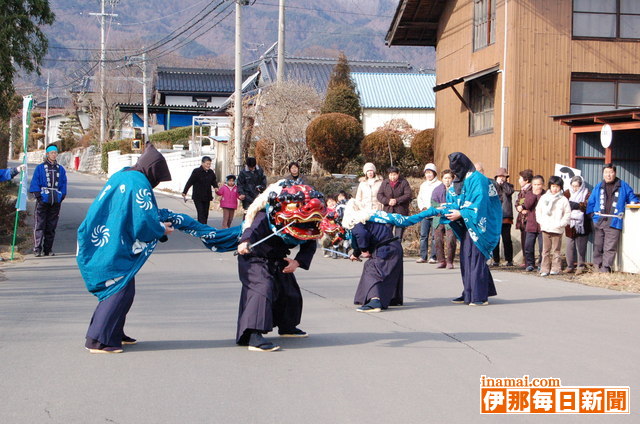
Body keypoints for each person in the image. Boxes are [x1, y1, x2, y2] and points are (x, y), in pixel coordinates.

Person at [78, 144, 173, 353]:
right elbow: (144, 219)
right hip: (111, 245)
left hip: (105, 239)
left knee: (125, 289)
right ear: (152, 171)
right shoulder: (138, 183)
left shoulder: (126, 175)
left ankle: (114, 332)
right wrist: (161, 228)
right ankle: (98, 340)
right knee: (117, 290)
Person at [235, 182, 322, 352]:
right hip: (254, 257)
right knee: (262, 289)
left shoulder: (309, 217)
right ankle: (253, 335)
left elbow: (310, 242)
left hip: (277, 257)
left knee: (289, 291)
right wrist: (245, 242)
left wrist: (297, 262)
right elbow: (251, 229)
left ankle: (287, 327)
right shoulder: (266, 215)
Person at [443, 153, 501, 306]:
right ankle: (469, 291)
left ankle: (479, 296)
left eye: (458, 170)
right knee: (466, 257)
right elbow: (455, 199)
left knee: (475, 257)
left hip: (481, 223)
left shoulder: (478, 179)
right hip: (468, 224)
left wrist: (461, 212)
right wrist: (447, 208)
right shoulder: (460, 180)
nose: (456, 174)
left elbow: (479, 204)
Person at [586, 163, 639, 273]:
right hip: (599, 220)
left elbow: (632, 198)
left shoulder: (623, 186)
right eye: (606, 173)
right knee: (598, 245)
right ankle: (597, 267)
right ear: (603, 174)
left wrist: (634, 204)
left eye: (611, 172)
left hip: (614, 220)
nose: (608, 175)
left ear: (615, 173)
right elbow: (591, 202)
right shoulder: (599, 186)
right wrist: (591, 215)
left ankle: (605, 269)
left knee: (609, 247)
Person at [29, 144, 67, 257]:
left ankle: (48, 249)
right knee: (39, 224)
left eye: (55, 153)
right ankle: (37, 248)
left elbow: (64, 184)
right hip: (43, 200)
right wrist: (38, 196)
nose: (54, 155)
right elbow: (35, 182)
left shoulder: (61, 169)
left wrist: (61, 196)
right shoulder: (40, 168)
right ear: (47, 154)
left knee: (51, 226)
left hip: (55, 200)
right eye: (52, 153)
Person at [536, 176, 571, 276]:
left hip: (557, 229)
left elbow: (567, 213)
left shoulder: (563, 199)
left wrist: (561, 224)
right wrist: (541, 221)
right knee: (545, 250)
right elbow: (538, 210)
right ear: (549, 186)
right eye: (553, 186)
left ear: (560, 187)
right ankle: (544, 269)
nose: (554, 189)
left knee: (556, 250)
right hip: (546, 227)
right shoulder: (544, 197)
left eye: (557, 186)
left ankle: (555, 268)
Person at [564, 176, 591, 275]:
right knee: (569, 246)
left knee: (581, 246)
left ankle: (580, 266)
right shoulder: (567, 192)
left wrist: (574, 205)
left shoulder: (587, 193)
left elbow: (586, 206)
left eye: (577, 186)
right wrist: (578, 205)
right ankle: (569, 266)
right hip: (569, 224)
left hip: (583, 223)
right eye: (573, 186)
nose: (575, 188)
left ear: (581, 186)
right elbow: (565, 204)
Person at [416, 163, 442, 263]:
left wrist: (436, 209)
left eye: (430, 173)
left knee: (434, 236)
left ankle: (433, 257)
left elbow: (440, 199)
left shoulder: (439, 184)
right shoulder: (423, 185)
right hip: (425, 213)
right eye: (427, 173)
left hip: (435, 213)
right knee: (423, 235)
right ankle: (423, 256)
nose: (428, 175)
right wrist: (422, 207)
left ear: (434, 173)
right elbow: (420, 198)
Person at [377, 166, 412, 240]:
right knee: (386, 233)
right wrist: (387, 201)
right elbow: (379, 195)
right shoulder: (385, 183)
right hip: (388, 211)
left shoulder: (403, 182)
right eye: (390, 175)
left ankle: (397, 250)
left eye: (394, 175)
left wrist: (396, 200)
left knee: (398, 235)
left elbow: (408, 195)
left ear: (398, 174)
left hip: (400, 211)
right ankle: (387, 250)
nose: (392, 177)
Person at [432, 169, 457, 269]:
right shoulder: (437, 190)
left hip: (451, 217)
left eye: (449, 178)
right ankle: (441, 260)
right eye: (445, 178)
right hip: (439, 217)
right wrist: (439, 205)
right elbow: (433, 204)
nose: (447, 180)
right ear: (442, 179)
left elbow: (459, 202)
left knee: (451, 239)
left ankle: (450, 261)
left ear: (453, 179)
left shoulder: (456, 190)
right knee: (438, 239)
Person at [182, 156, 218, 224]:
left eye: (209, 164)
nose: (208, 165)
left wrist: (216, 187)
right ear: (202, 163)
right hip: (198, 196)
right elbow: (190, 182)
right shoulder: (196, 171)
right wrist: (185, 191)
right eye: (207, 164)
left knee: (205, 214)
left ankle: (204, 228)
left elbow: (214, 181)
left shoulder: (211, 172)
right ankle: (201, 229)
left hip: (207, 196)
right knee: (201, 213)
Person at [492, 168, 514, 267]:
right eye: (500, 176)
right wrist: (497, 184)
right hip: (495, 216)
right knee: (495, 239)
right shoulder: (492, 186)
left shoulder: (509, 186)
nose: (502, 178)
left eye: (504, 176)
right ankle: (496, 259)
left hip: (506, 217)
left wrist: (504, 184)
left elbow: (509, 192)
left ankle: (509, 260)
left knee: (507, 239)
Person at [523, 175, 545, 272]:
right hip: (531, 224)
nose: (537, 187)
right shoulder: (528, 194)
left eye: (539, 184)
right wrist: (534, 195)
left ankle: (541, 264)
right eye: (535, 184)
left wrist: (539, 195)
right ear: (532, 185)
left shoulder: (546, 194)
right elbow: (528, 205)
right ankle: (530, 264)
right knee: (528, 246)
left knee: (542, 247)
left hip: (542, 225)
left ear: (542, 185)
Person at [515, 169, 533, 267]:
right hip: (522, 217)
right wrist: (519, 208)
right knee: (523, 239)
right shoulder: (522, 190)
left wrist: (523, 207)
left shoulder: (530, 190)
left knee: (528, 241)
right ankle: (526, 261)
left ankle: (529, 262)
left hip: (528, 219)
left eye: (520, 178)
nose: (519, 180)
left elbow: (529, 202)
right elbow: (518, 201)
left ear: (526, 180)